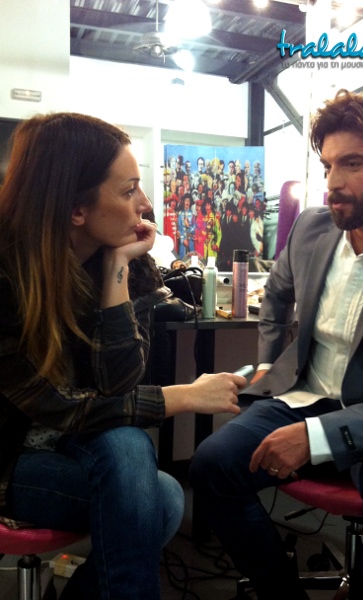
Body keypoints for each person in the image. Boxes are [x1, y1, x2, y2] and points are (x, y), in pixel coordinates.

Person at [190, 88, 363, 600]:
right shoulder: (312, 228)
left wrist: (317, 437)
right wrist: (267, 364)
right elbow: (276, 295)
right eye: (328, 165)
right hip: (304, 393)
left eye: (353, 164)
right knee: (213, 464)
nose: (333, 183)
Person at [0, 112, 246, 600]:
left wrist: (117, 269)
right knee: (162, 498)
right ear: (76, 209)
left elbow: (118, 387)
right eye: (129, 190)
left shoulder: (121, 261)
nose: (146, 204)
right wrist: (183, 397)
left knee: (134, 451)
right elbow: (62, 407)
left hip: (75, 439)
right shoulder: (8, 278)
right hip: (10, 456)